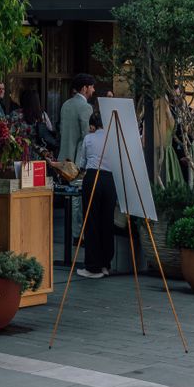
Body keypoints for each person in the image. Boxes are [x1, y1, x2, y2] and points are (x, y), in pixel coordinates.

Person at [75, 109, 114, 279]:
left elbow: (82, 163)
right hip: (110, 180)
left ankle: (92, 267)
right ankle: (106, 264)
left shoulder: (89, 138)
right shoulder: (114, 138)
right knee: (107, 222)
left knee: (91, 221)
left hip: (93, 177)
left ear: (92, 125)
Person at [58, 73, 95, 167]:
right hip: (77, 160)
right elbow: (86, 135)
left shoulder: (66, 104)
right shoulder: (86, 107)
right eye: (92, 87)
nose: (93, 90)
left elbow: (62, 130)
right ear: (85, 88)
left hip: (63, 157)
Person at [17, 88, 58, 158]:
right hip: (40, 154)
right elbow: (49, 131)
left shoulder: (16, 115)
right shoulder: (43, 115)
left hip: (20, 154)